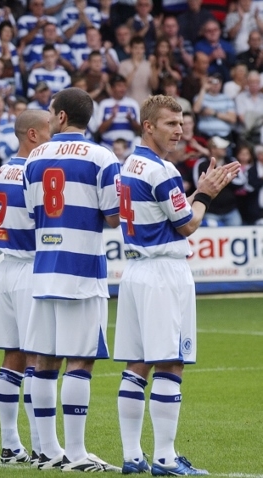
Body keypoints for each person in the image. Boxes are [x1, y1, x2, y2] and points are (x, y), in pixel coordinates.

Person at [115, 94, 240, 476]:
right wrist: (205, 195)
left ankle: (132, 456)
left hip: (135, 271)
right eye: (171, 123)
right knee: (170, 363)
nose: (179, 130)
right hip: (163, 272)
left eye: (182, 123)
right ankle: (166, 459)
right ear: (148, 125)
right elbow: (187, 224)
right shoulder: (162, 169)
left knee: (137, 365)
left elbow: (165, 212)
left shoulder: (130, 163)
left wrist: (194, 195)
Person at [23, 87, 120, 471]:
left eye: (51, 111)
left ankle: (49, 452)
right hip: (82, 271)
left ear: (62, 116)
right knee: (80, 360)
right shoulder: (101, 157)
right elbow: (113, 216)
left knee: (44, 360)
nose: (48, 117)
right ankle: (77, 454)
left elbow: (33, 212)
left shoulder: (34, 157)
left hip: (45, 269)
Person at [0, 109, 51, 465]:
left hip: (6, 269)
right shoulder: (33, 172)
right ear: (33, 135)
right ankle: (42, 446)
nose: (54, 138)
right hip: (29, 267)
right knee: (38, 359)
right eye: (49, 130)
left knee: (13, 357)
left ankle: (11, 444)